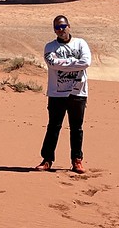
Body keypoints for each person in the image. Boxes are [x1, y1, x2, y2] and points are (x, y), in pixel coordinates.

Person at [36, 15, 91, 174]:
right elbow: (52, 63)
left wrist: (63, 64)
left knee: (76, 128)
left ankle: (77, 160)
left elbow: (86, 62)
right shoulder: (50, 47)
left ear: (69, 26)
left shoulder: (81, 43)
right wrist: (74, 63)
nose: (60, 30)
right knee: (53, 127)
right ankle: (47, 160)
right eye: (57, 28)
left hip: (78, 92)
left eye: (63, 26)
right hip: (56, 94)